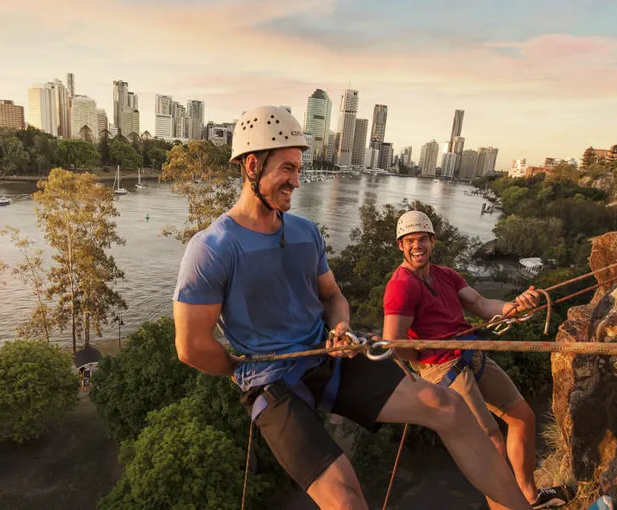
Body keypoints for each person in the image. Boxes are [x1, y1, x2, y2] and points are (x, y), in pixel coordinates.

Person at [173, 105, 531, 510]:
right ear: (252, 165)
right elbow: (191, 346)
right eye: (287, 169)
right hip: (272, 381)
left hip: (328, 355)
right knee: (345, 500)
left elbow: (333, 296)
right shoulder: (212, 248)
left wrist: (340, 327)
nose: (296, 180)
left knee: (446, 405)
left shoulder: (306, 233)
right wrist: (242, 369)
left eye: (298, 168)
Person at [382, 210, 574, 509]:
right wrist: (424, 358)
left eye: (422, 239)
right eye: (409, 241)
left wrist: (516, 306)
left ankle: (530, 497)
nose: (416, 246)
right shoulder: (401, 285)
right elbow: (394, 342)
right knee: (490, 447)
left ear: (432, 241)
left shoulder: (446, 275)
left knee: (522, 416)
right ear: (400, 246)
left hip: (471, 354)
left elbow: (482, 305)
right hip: (442, 368)